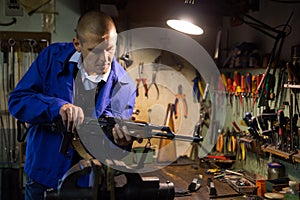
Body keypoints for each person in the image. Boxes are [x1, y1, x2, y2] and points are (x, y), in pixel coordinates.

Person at [8, 11, 137, 200]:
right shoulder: (52, 59)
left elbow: (113, 149)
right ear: (77, 44)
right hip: (44, 176)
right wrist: (57, 107)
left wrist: (122, 142)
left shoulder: (124, 86)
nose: (104, 59)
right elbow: (18, 101)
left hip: (89, 184)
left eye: (109, 49)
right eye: (95, 50)